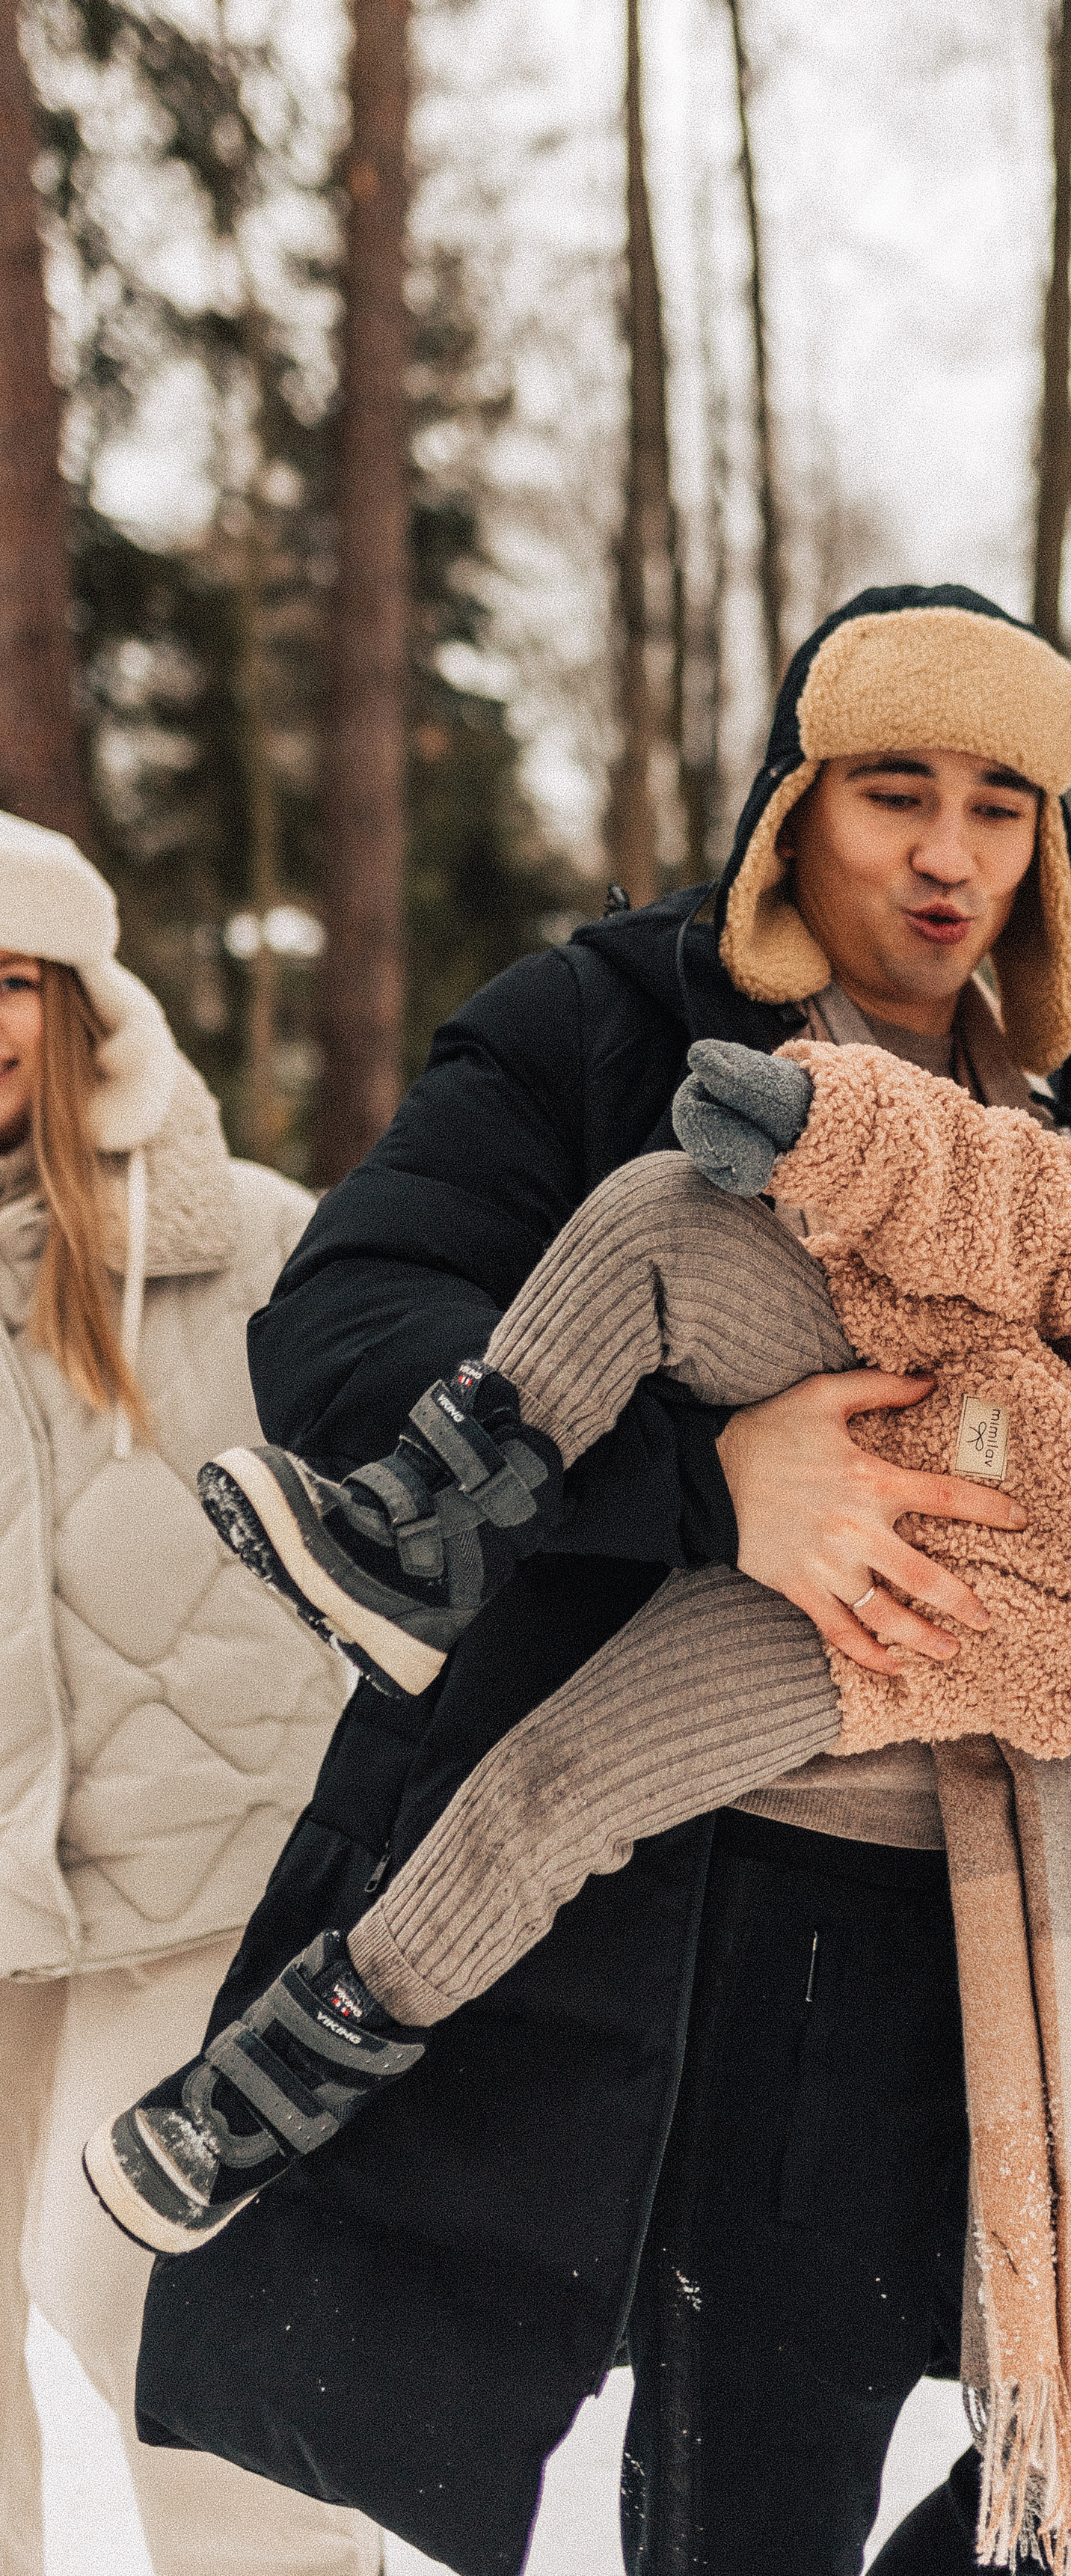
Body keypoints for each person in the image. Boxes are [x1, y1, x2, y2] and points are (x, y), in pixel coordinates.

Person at [135, 586, 1071, 2576]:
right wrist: (704, 1482)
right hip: (719, 1923)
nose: (946, 855)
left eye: (1002, 809)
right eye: (895, 792)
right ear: (790, 805)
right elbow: (349, 1323)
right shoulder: (607, 1031)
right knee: (761, 2526)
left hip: (1024, 1938)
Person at [93, 1047, 1071, 2569]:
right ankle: (426, 1544)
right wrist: (817, 1121)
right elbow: (1005, 1194)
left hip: (883, 1660)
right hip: (865, 1394)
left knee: (564, 1788)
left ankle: (328, 2022)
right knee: (651, 1230)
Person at [0, 814, 377, 2576]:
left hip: (199, 1863)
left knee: (145, 2293)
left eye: (13, 980)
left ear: (83, 1004)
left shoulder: (248, 1243)